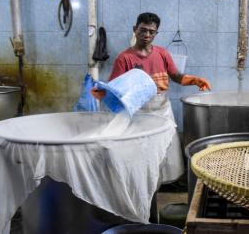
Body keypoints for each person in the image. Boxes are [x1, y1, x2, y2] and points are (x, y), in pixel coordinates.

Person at [90, 12, 211, 184]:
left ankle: (161, 187)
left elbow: (176, 76)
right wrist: (103, 92)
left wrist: (195, 80)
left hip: (162, 109)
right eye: (143, 30)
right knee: (143, 152)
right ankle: (143, 185)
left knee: (166, 150)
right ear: (135, 29)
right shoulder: (125, 58)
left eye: (151, 32)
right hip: (139, 113)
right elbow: (116, 87)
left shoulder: (162, 54)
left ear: (156, 33)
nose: (147, 35)